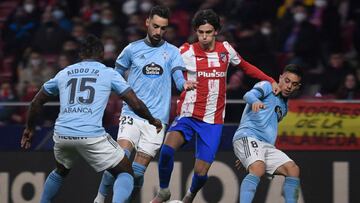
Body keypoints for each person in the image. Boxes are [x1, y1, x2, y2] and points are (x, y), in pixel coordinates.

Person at [152, 9, 280, 203]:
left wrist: (270, 80)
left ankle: (190, 196)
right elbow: (164, 70)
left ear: (216, 31)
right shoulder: (185, 52)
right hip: (188, 114)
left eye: (208, 32)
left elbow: (245, 66)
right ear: (196, 31)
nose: (204, 37)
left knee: (201, 173)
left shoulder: (225, 50)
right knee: (167, 150)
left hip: (212, 121)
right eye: (200, 32)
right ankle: (163, 191)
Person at [20, 34, 162, 203]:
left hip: (62, 135)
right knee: (125, 171)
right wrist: (152, 120)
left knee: (61, 170)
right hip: (91, 135)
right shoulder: (108, 72)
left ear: (80, 55)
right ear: (101, 55)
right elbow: (135, 103)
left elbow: (36, 102)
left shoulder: (64, 73)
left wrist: (29, 129)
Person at [94, 5, 196, 203]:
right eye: (156, 26)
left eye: (163, 28)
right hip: (132, 114)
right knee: (119, 161)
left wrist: (185, 84)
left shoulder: (172, 52)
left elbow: (178, 78)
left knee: (138, 173)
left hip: (157, 121)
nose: (159, 32)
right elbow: (116, 75)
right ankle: (99, 198)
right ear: (147, 22)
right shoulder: (131, 50)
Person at [233, 64, 303, 203]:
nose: (289, 86)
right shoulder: (267, 86)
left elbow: (269, 128)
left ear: (297, 87)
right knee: (258, 168)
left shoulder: (284, 108)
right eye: (287, 81)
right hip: (248, 135)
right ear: (280, 78)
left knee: (293, 169)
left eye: (294, 84)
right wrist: (256, 101)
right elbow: (248, 95)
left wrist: (246, 157)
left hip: (266, 146)